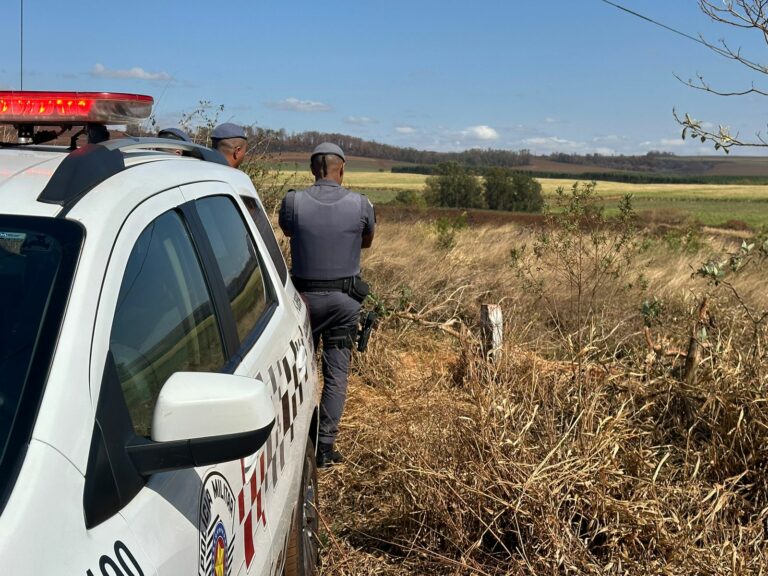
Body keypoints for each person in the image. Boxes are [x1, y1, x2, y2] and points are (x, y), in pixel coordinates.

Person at [278, 142, 375, 468]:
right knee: (336, 375)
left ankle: (293, 444)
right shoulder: (361, 205)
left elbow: (289, 231)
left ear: (312, 169)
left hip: (301, 303)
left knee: (299, 374)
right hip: (343, 306)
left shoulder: (293, 202)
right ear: (342, 169)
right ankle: (325, 448)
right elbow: (367, 240)